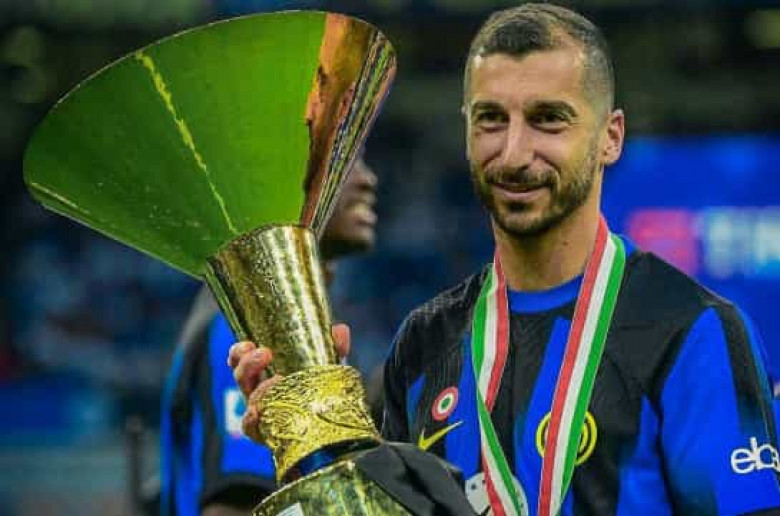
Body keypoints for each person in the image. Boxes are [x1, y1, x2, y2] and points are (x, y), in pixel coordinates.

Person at [230, 4, 780, 516]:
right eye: (491, 119)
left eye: (549, 119)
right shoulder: (424, 342)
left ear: (610, 138)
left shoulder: (693, 331)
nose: (514, 153)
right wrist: (306, 440)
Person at [159, 158, 380, 516]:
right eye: (346, 160)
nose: (367, 179)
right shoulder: (248, 326)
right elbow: (236, 505)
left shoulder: (299, 326)